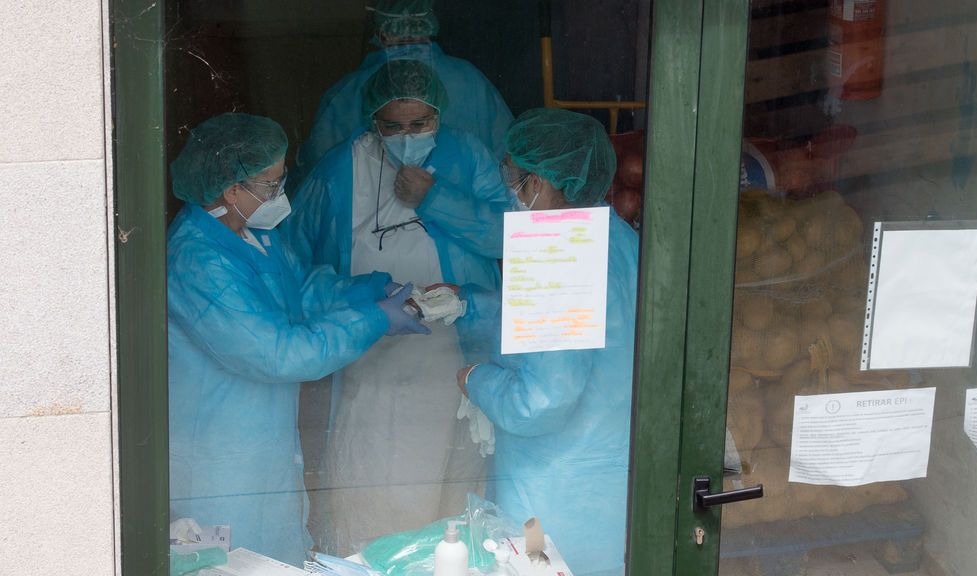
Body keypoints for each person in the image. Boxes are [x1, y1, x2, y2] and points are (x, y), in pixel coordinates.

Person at [166, 113, 428, 566]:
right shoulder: (197, 260)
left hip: (261, 445)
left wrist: (370, 290)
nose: (281, 193)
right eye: (270, 185)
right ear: (231, 189)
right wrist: (373, 321)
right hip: (217, 458)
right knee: (227, 565)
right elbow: (277, 353)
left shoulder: (252, 233)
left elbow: (303, 290)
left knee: (273, 556)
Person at [283, 59, 507, 554]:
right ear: (372, 120)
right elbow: (294, 263)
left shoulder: (467, 157)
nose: (407, 136)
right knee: (372, 486)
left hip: (456, 355)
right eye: (393, 126)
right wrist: (361, 299)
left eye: (420, 125)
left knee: (451, 492)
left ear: (438, 116)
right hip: (370, 358)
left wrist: (436, 198)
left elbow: (508, 235)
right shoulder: (340, 170)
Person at [455, 108, 639, 576]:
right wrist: (470, 304)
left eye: (515, 177)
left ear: (541, 181)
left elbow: (541, 402)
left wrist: (477, 380)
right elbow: (580, 327)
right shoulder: (620, 239)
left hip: (553, 492)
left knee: (537, 566)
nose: (512, 189)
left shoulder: (556, 252)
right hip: (611, 482)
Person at [295, 0, 513, 182]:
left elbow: (317, 174)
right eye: (393, 125)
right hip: (465, 224)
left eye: (419, 124)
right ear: (430, 26)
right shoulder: (469, 79)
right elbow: (509, 158)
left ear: (380, 33)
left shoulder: (347, 91)